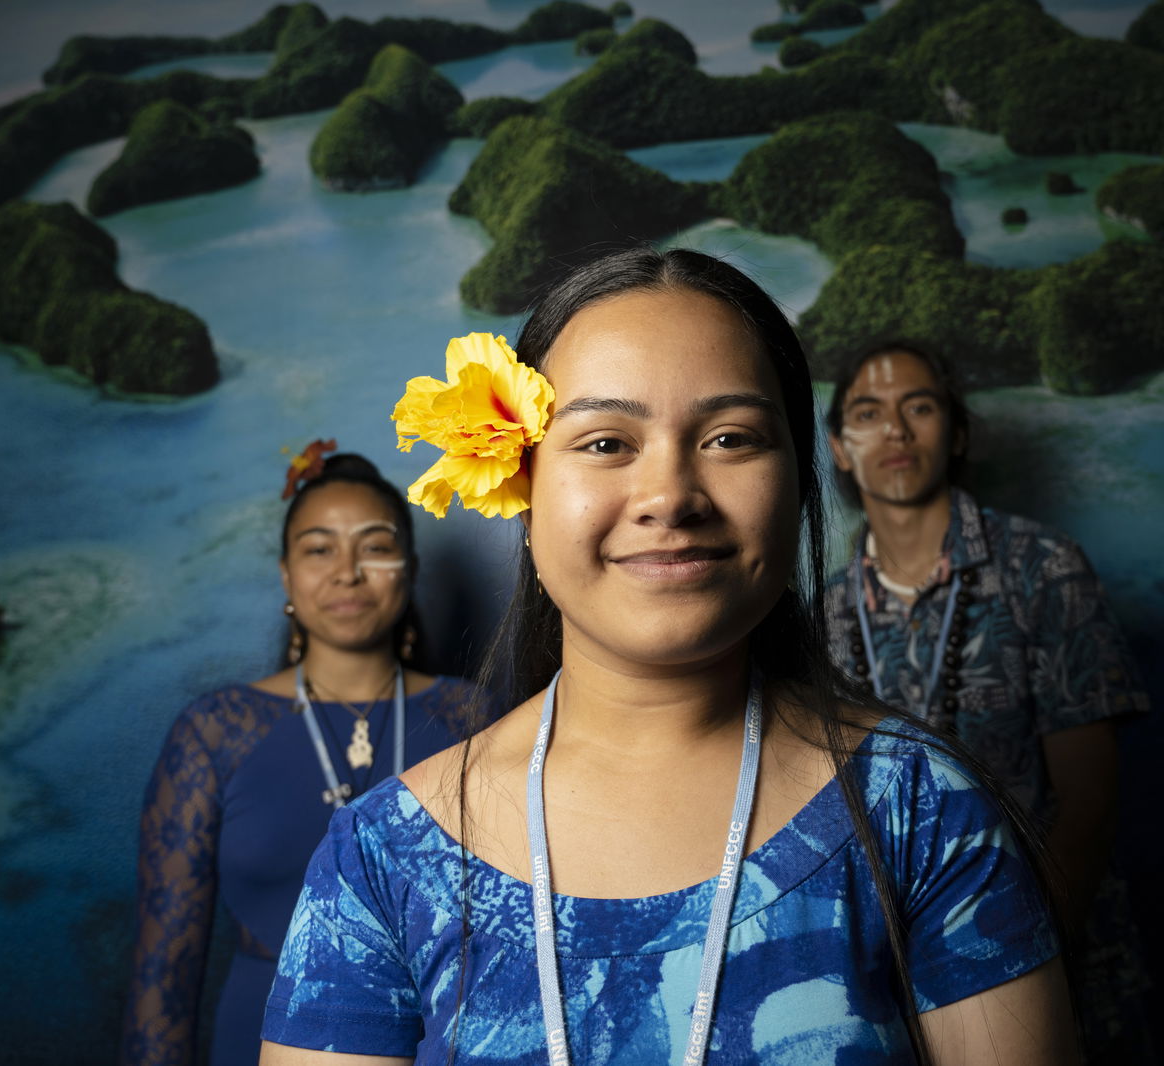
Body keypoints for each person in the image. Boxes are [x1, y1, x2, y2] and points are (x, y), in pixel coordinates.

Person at [259, 249, 1078, 1066]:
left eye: (730, 437)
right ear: (519, 480)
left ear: (799, 481)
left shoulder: (923, 809)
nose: (669, 497)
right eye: (607, 442)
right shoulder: (384, 857)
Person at [822, 343, 1153, 1064]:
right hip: (895, 985)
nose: (897, 432)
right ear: (840, 448)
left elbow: (1089, 801)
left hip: (1062, 957)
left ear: (958, 432)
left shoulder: (1043, 566)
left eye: (920, 407)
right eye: (868, 414)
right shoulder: (829, 614)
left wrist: (1010, 963)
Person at [122, 450, 474, 1066]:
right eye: (319, 549)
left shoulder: (477, 718)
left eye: (373, 546)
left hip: (447, 1041)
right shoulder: (212, 733)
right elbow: (162, 982)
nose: (347, 572)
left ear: (409, 567)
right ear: (286, 574)